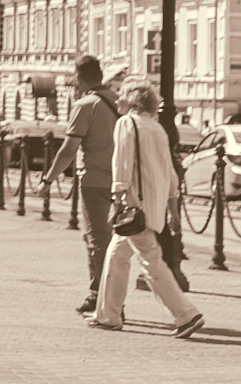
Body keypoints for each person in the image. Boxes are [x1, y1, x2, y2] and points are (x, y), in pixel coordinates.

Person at [92, 79, 206, 338]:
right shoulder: (157, 129)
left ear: (133, 101)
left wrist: (117, 199)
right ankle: (108, 315)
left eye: (122, 94)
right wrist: (173, 209)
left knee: (151, 262)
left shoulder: (127, 123)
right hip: (152, 209)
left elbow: (122, 164)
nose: (118, 99)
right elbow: (170, 172)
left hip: (134, 207)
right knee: (116, 256)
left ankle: (186, 315)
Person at [46, 55, 118, 314]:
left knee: (98, 239)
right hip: (120, 180)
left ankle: (104, 298)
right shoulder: (119, 101)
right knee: (110, 241)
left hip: (94, 180)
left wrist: (48, 179)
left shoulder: (85, 105)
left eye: (75, 76)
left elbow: (68, 150)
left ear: (80, 77)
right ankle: (104, 295)